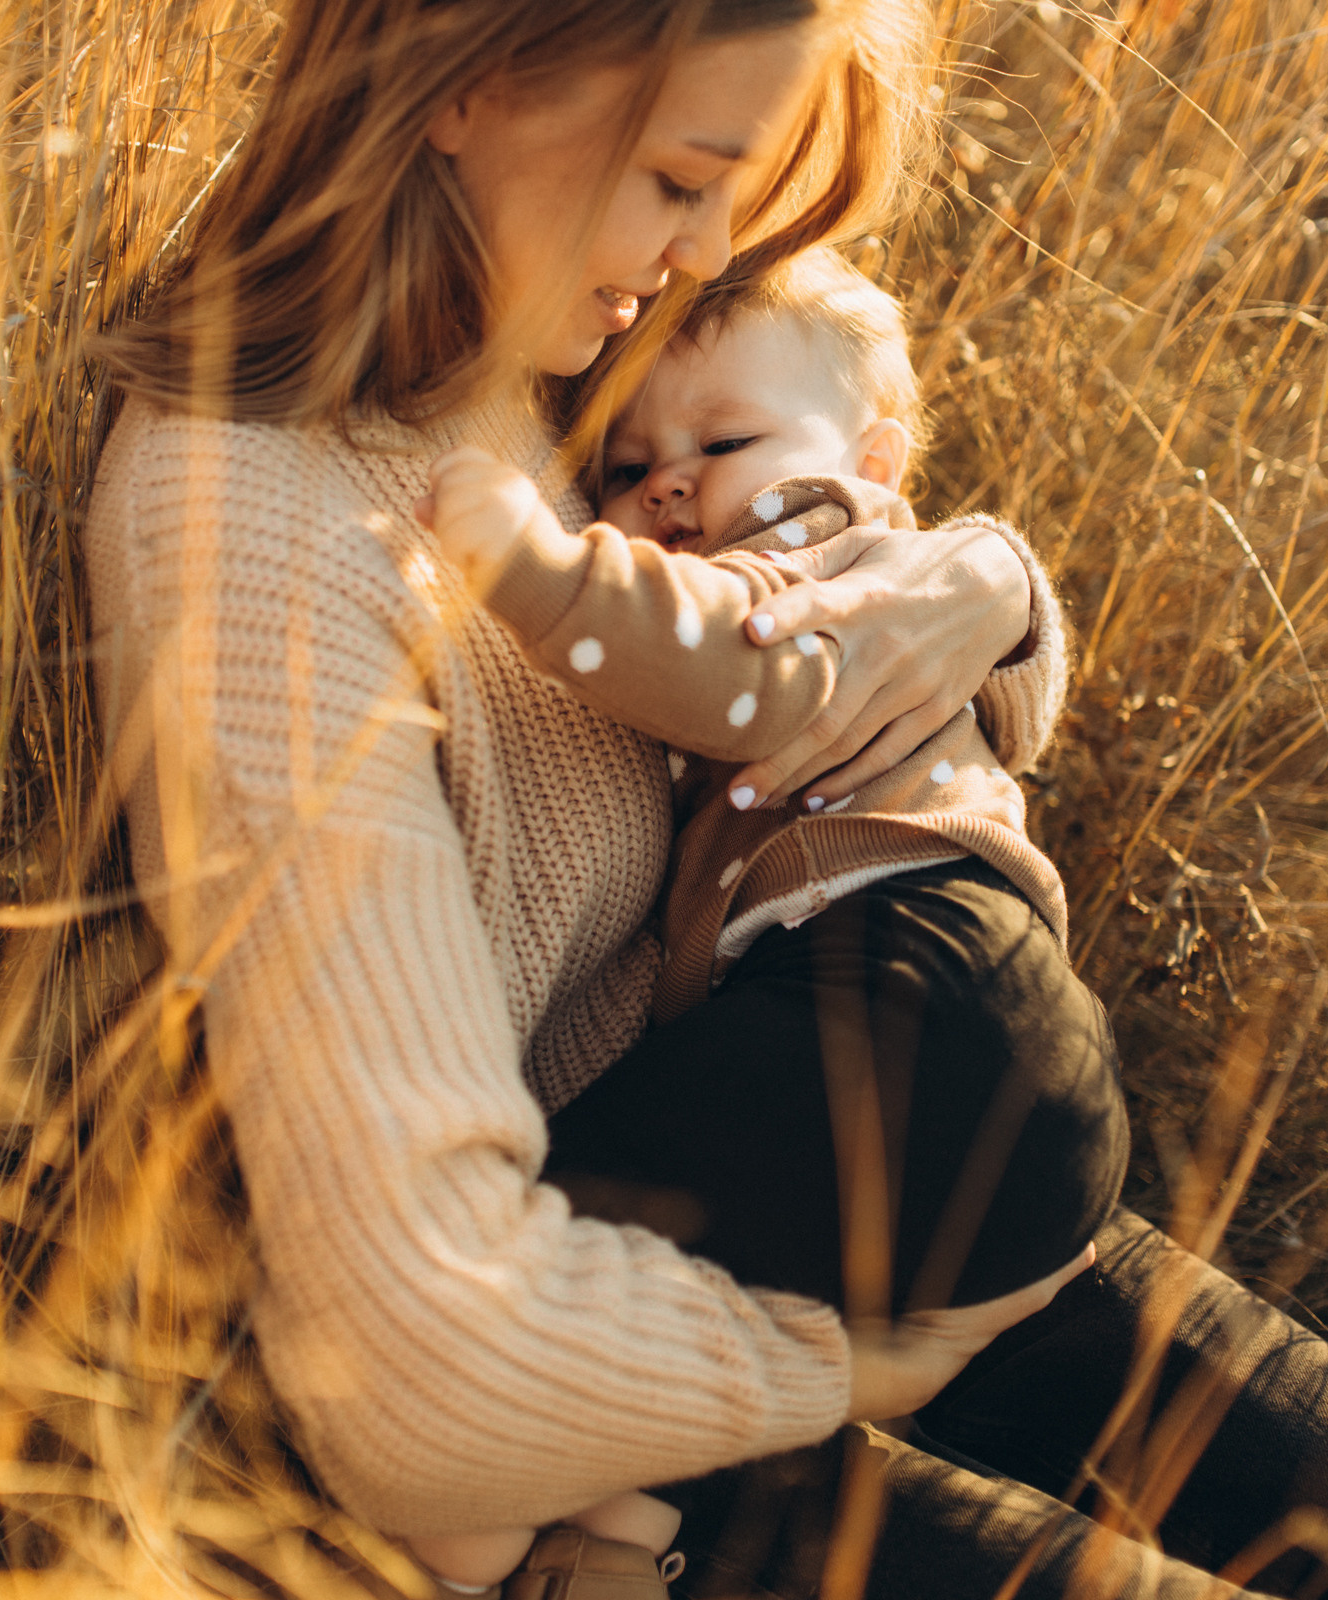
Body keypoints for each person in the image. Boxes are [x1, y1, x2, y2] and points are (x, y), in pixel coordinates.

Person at [84, 2, 1328, 1598]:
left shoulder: (552, 347)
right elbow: (420, 1385)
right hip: (625, 1405)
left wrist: (981, 585)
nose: (707, 250)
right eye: (680, 179)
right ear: (467, 78)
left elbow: (832, 512)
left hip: (878, 1180)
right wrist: (870, 1361)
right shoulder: (249, 538)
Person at [404, 244, 1129, 1592]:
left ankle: (472, 1523)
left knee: (526, 1251)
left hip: (919, 990)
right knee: (656, 1274)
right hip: (975, 1059)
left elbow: (735, 665)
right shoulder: (866, 577)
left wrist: (538, 570)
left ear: (873, 461)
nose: (670, 482)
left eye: (724, 442)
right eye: (628, 466)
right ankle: (612, 1540)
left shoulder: (825, 551)